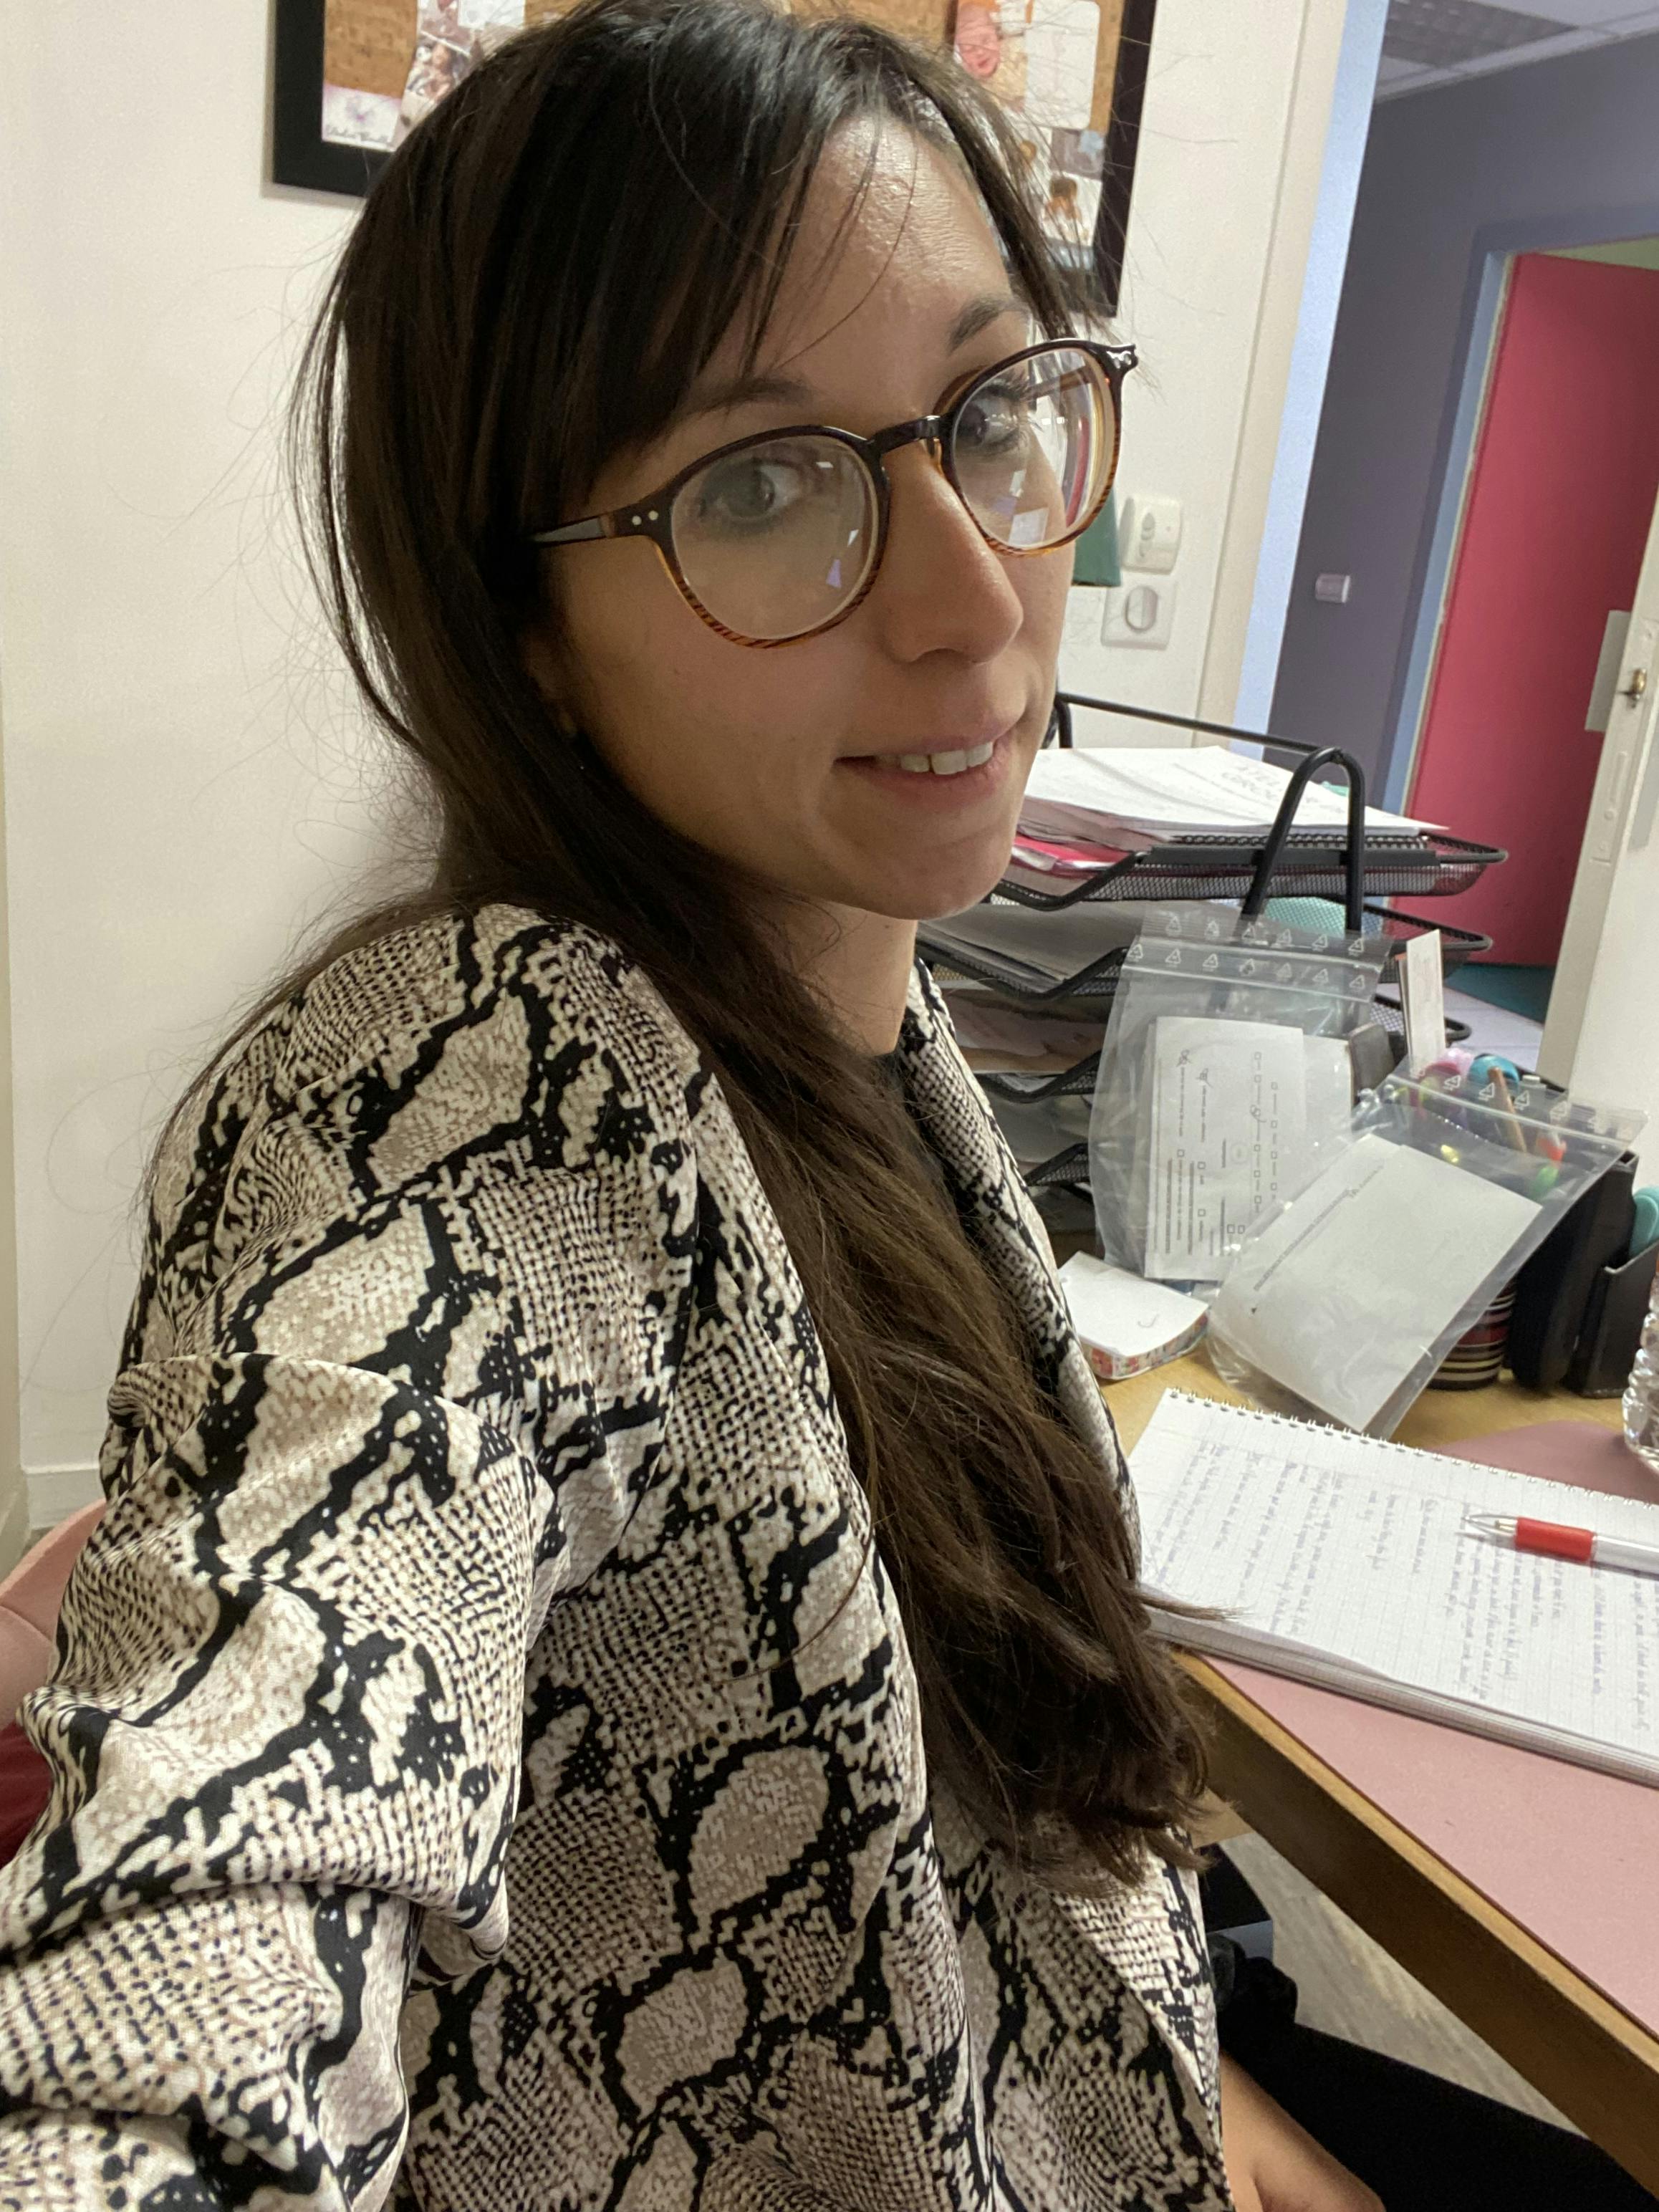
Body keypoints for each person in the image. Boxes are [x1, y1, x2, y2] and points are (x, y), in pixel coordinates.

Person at [0, 5, 1652, 2208]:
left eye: (990, 415)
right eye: (760, 484)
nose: (973, 599)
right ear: (520, 628)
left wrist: (1181, 2079)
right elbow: (222, 1891)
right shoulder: (475, 1094)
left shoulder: (844, 994)